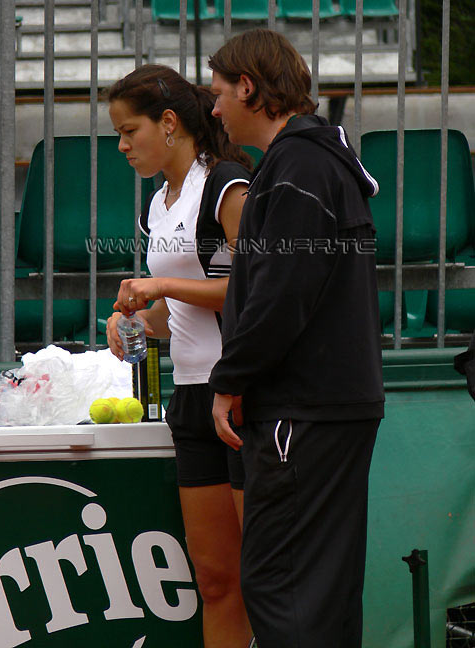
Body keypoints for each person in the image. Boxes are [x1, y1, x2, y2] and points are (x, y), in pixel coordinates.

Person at [207, 29, 385, 648]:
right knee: (320, 589)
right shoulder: (311, 162)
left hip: (302, 411)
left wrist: (228, 380)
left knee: (283, 585)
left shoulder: (298, 168)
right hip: (328, 408)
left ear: (249, 88)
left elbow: (280, 299)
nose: (215, 108)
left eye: (220, 92)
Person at [105, 64, 254, 648]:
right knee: (216, 582)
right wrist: (135, 322)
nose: (121, 146)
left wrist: (159, 288)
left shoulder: (227, 185)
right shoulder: (155, 206)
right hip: (191, 399)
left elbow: (256, 289)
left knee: (265, 581)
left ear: (169, 123)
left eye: (128, 131)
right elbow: (181, 314)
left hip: (242, 395)